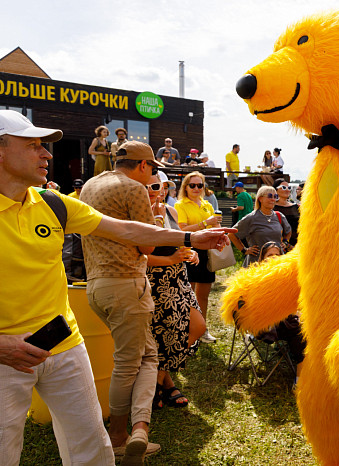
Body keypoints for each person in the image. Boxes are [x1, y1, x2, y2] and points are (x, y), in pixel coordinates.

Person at [0, 110, 232, 466]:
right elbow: (141, 242)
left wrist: (190, 235)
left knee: (92, 448)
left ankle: (123, 434)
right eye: (33, 145)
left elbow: (125, 230)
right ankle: (130, 430)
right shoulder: (122, 189)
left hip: (65, 342)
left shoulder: (53, 203)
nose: (47, 154)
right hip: (7, 354)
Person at [81, 141, 233, 465]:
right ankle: (120, 437)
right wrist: (192, 239)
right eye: (152, 170)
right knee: (130, 364)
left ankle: (139, 428)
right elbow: (144, 241)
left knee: (148, 355)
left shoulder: (92, 185)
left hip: (95, 286)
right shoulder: (133, 188)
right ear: (143, 166)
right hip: (127, 285)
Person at [145, 173, 205, 410]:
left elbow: (180, 242)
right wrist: (170, 258)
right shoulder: (138, 214)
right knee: (164, 337)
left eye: (162, 186)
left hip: (178, 279)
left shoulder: (172, 212)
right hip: (155, 282)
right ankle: (165, 383)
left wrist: (190, 252)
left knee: (197, 326)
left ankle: (158, 381)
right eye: (152, 186)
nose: (158, 191)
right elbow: (136, 257)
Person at [175, 171, 221, 344]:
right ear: (185, 187)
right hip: (190, 250)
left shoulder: (207, 205)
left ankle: (202, 329)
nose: (196, 188)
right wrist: (205, 223)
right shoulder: (180, 205)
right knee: (187, 293)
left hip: (207, 252)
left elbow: (213, 226)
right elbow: (182, 230)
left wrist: (218, 227)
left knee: (203, 294)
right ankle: (186, 330)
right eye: (192, 185)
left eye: (199, 185)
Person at [256, 241, 306, 386]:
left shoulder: (288, 277)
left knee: (302, 331)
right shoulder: (255, 277)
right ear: (262, 258)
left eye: (277, 255)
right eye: (269, 255)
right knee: (296, 328)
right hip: (266, 323)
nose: (273, 258)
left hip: (289, 321)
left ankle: (300, 379)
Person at [231, 185, 291, 268]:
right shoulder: (251, 218)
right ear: (260, 199)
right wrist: (244, 250)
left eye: (275, 196)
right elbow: (231, 234)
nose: (273, 199)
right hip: (256, 264)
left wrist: (285, 242)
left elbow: (288, 231)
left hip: (276, 264)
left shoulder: (279, 216)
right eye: (270, 196)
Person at [273, 178, 300, 249]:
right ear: (276, 190)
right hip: (277, 247)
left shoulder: (296, 206)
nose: (287, 190)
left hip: (296, 246)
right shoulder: (271, 207)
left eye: (289, 187)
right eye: (284, 187)